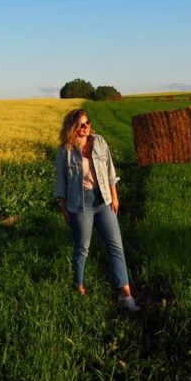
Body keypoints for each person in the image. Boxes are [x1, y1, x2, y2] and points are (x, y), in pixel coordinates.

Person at [53, 108, 139, 312]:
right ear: (72, 127)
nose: (85, 127)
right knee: (82, 248)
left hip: (103, 200)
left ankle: (126, 295)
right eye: (81, 124)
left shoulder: (99, 141)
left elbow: (110, 169)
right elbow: (60, 183)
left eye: (87, 122)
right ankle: (78, 286)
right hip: (80, 204)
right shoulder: (65, 151)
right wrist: (63, 207)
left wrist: (114, 197)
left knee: (116, 246)